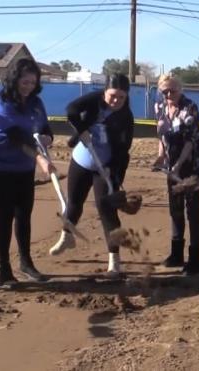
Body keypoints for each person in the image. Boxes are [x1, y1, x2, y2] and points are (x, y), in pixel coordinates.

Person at [48, 74, 135, 279]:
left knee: (107, 210)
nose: (116, 101)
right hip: (81, 160)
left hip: (104, 166)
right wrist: (82, 129)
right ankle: (67, 237)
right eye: (113, 95)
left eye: (122, 97)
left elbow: (124, 150)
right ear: (105, 91)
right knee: (74, 203)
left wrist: (114, 175)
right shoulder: (94, 99)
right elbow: (71, 111)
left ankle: (114, 260)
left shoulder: (126, 117)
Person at [0, 58, 54, 285]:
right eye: (25, 81)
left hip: (23, 168)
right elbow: (18, 139)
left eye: (33, 82)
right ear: (15, 79)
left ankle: (26, 263)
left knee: (24, 215)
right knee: (5, 216)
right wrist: (41, 159)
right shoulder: (1, 105)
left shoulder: (35, 102)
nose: (29, 86)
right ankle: (4, 269)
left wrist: (47, 138)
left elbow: (45, 127)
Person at [153, 75, 199, 274]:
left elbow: (191, 141)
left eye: (172, 91)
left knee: (192, 209)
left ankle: (194, 259)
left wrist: (178, 165)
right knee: (175, 208)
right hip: (171, 163)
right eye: (164, 91)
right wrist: (161, 156)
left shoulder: (189, 107)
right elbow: (161, 134)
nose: (168, 95)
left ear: (180, 89)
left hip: (192, 164)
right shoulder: (159, 107)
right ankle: (176, 254)